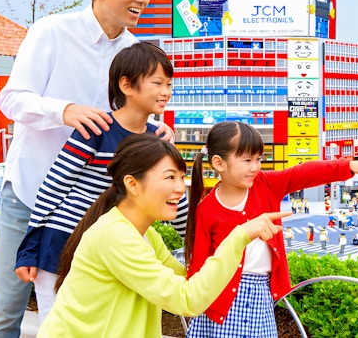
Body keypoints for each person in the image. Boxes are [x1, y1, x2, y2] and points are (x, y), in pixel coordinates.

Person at [0, 0, 167, 338]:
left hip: (95, 209)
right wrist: (64, 110)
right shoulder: (51, 31)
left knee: (83, 319)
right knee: (5, 312)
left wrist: (158, 132)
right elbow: (11, 99)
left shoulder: (135, 52)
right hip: (31, 193)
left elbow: (137, 116)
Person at [37, 134, 287, 338]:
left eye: (181, 177)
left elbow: (193, 282)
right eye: (169, 177)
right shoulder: (115, 236)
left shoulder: (146, 236)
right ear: (133, 184)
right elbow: (187, 299)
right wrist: (240, 234)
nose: (180, 188)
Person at [14, 42, 179, 320]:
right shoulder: (97, 129)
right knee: (59, 327)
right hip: (64, 243)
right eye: (157, 83)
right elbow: (54, 187)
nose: (166, 92)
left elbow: (174, 197)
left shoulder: (158, 139)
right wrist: (29, 250)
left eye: (169, 84)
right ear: (126, 85)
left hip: (114, 248)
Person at [184, 121, 358, 338]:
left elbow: (301, 174)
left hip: (261, 293)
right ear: (219, 163)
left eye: (258, 159)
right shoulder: (207, 209)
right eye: (247, 160)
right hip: (220, 298)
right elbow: (199, 262)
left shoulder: (265, 184)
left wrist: (345, 166)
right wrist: (193, 305)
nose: (255, 167)